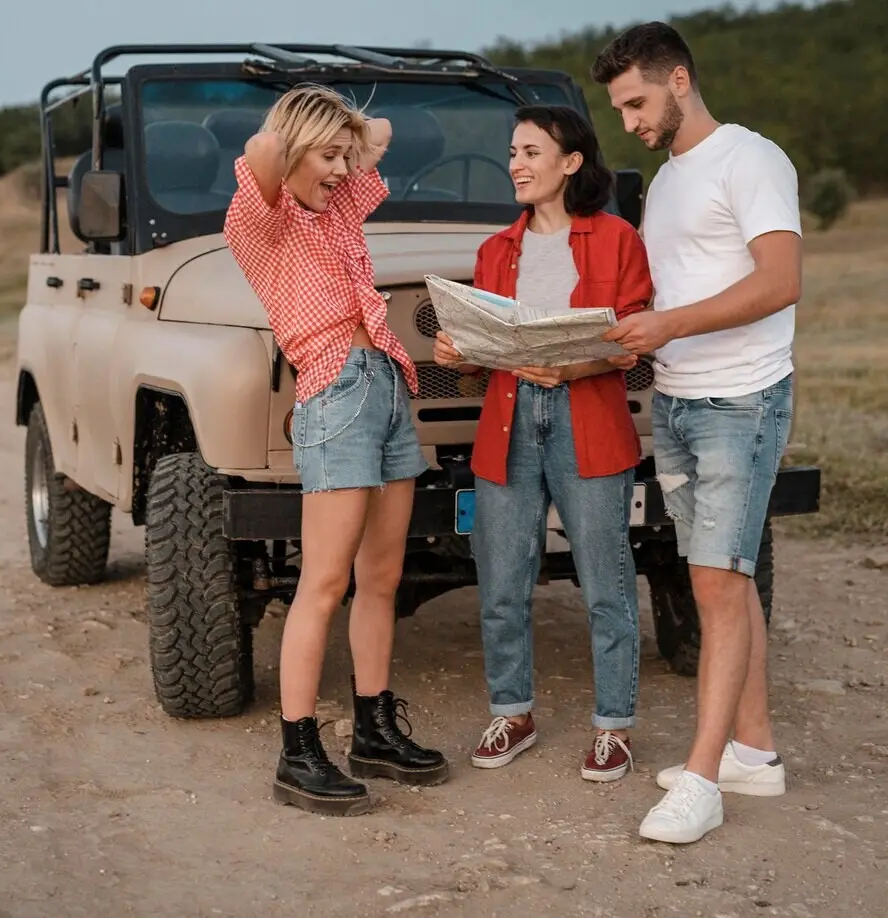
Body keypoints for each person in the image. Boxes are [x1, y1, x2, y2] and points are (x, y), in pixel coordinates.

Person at [591, 22, 804, 844]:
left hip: (740, 402)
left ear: (679, 79)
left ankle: (705, 780)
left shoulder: (750, 158)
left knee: (715, 586)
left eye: (638, 102)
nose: (630, 122)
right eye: (619, 109)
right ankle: (755, 753)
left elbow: (781, 282)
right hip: (679, 401)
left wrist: (669, 322)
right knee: (728, 577)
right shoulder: (671, 179)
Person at [223, 84, 450, 817]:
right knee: (323, 584)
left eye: (342, 160)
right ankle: (297, 751)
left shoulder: (339, 206)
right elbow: (258, 152)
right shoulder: (260, 223)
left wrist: (343, 136)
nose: (339, 170)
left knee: (381, 577)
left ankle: (375, 730)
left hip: (387, 384)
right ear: (291, 151)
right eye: (325, 157)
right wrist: (300, 133)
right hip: (335, 392)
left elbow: (377, 131)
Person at [432, 104, 652, 783]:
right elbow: (482, 353)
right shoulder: (497, 251)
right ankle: (512, 712)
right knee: (501, 581)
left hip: (589, 419)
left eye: (530, 152)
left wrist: (577, 365)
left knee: (605, 582)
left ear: (571, 162)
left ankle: (614, 727)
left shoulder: (616, 239)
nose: (517, 165)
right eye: (513, 153)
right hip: (508, 421)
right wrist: (457, 349)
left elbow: (635, 334)